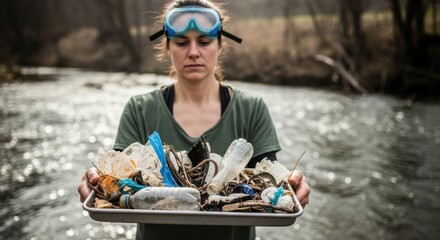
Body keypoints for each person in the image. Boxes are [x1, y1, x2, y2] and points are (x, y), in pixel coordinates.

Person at [78, 0, 310, 239]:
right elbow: (116, 182)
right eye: (181, 42)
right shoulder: (139, 109)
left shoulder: (252, 109)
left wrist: (290, 185)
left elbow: (271, 179)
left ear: (220, 45)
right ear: (167, 47)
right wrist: (97, 181)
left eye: (204, 41)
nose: (193, 52)